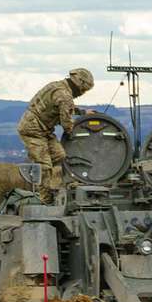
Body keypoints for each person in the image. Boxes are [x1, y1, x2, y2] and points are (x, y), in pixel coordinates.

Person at [17, 68, 94, 203]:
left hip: (43, 129)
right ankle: (44, 199)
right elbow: (67, 123)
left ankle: (48, 181)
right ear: (80, 83)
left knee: (60, 155)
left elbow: (64, 107)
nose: (83, 93)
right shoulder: (65, 95)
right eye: (84, 89)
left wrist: (82, 112)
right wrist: (76, 136)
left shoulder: (58, 86)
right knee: (45, 165)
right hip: (33, 130)